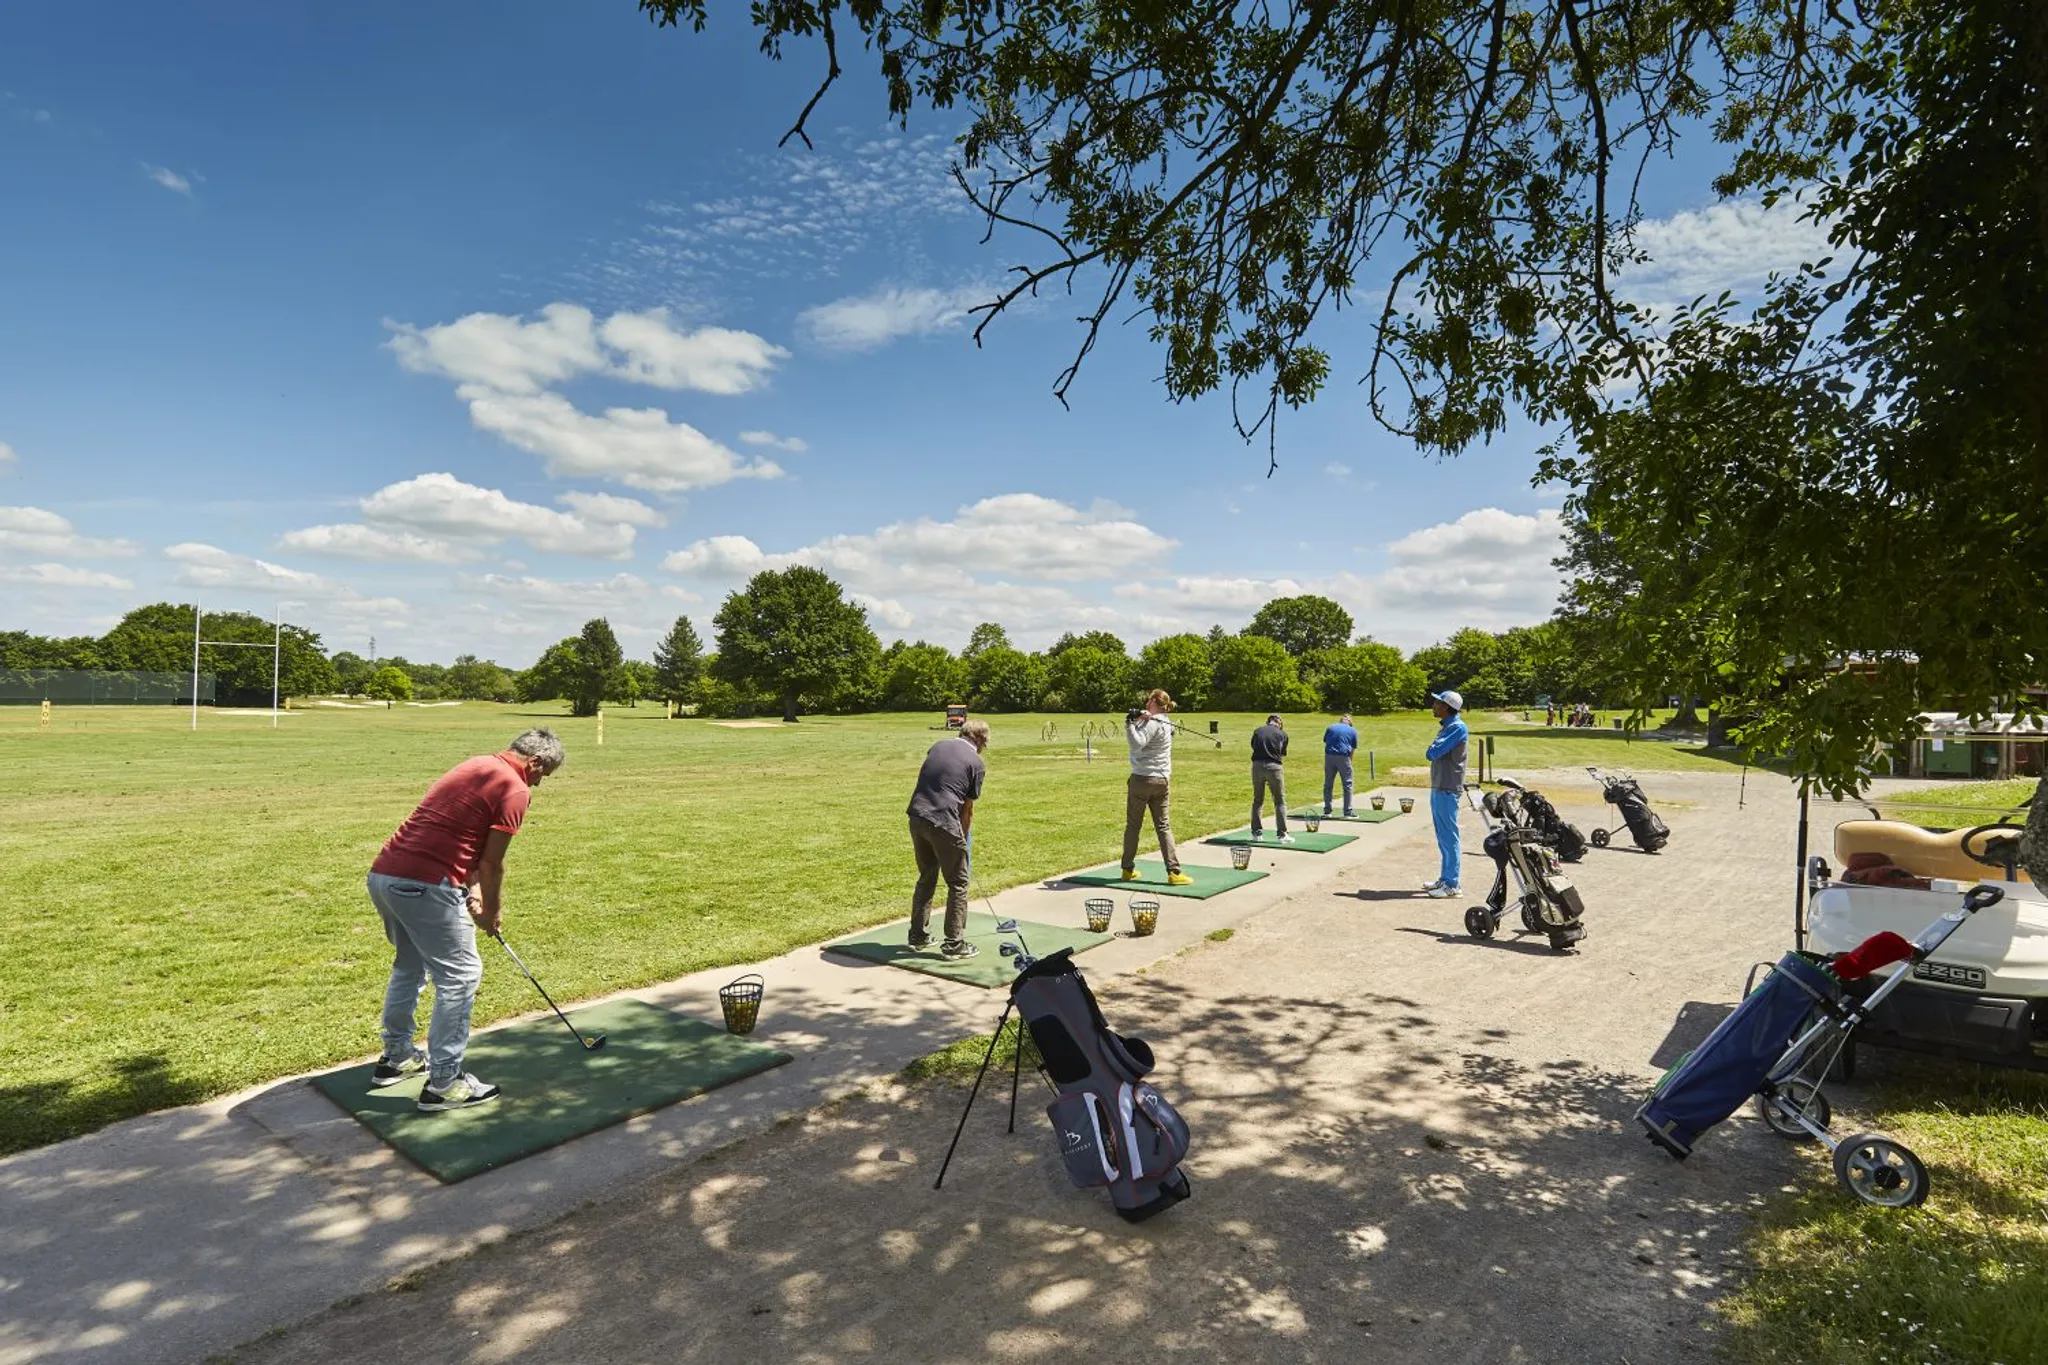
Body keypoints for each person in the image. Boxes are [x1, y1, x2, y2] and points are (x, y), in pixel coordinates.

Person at [367, 728, 564, 1111]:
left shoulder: (477, 765)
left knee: (410, 966)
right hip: (424, 886)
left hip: (386, 876)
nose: (539, 784)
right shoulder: (515, 787)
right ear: (535, 761)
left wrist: (470, 889)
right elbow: (493, 861)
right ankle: (445, 1082)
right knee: (460, 975)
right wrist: (492, 911)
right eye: (543, 775)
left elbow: (459, 835)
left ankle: (397, 1058)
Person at [906, 718, 991, 960]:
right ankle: (954, 944)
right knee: (959, 881)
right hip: (943, 820)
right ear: (981, 739)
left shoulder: (938, 745)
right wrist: (962, 840)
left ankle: (918, 935)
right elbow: (967, 809)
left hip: (916, 816)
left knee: (927, 874)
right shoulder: (976, 762)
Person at [1123, 689, 1194, 886]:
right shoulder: (1165, 721)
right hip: (1162, 780)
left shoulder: (1153, 722)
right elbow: (1148, 731)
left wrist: (1129, 723)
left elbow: (1137, 744)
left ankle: (1127, 869)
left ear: (1154, 701)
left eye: (1149, 701)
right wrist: (1140, 719)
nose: (1146, 703)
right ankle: (1173, 872)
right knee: (1163, 826)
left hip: (1142, 779)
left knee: (1133, 826)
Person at [1423, 691, 1469, 899]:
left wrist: (1433, 747)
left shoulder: (1456, 727)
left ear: (1446, 706)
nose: (1434, 705)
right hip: (1441, 785)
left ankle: (1452, 884)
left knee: (1449, 836)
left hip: (1448, 787)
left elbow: (1432, 752)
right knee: (1443, 836)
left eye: (1438, 702)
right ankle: (1445, 877)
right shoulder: (1448, 727)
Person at [1250, 713, 1292, 840]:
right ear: (1279, 723)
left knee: (1258, 800)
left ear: (1268, 721)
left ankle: (1256, 833)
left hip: (1257, 766)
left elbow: (1253, 745)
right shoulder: (1282, 734)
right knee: (1279, 801)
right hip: (1274, 767)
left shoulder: (1258, 731)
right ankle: (1282, 834)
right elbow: (1282, 752)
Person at [1322, 712, 1359, 816]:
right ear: (1350, 723)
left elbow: (1326, 741)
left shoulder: (1330, 727)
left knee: (1328, 784)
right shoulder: (1353, 730)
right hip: (1343, 757)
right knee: (1347, 784)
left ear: (1340, 720)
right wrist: (1349, 762)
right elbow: (1352, 749)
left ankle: (1327, 811)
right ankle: (1347, 812)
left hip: (1329, 756)